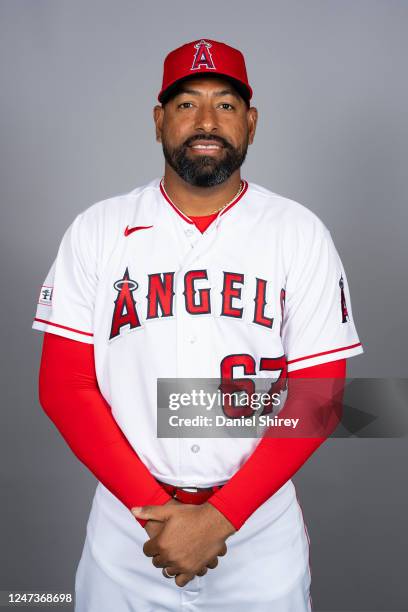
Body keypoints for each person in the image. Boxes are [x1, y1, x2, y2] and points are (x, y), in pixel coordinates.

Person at [32, 38, 364, 611]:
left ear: (251, 124)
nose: (206, 120)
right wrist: (157, 516)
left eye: (226, 104)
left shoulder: (298, 232)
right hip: (129, 528)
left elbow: (321, 395)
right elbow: (65, 387)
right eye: (186, 104)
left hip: (258, 532)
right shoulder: (97, 229)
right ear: (159, 120)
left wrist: (221, 516)